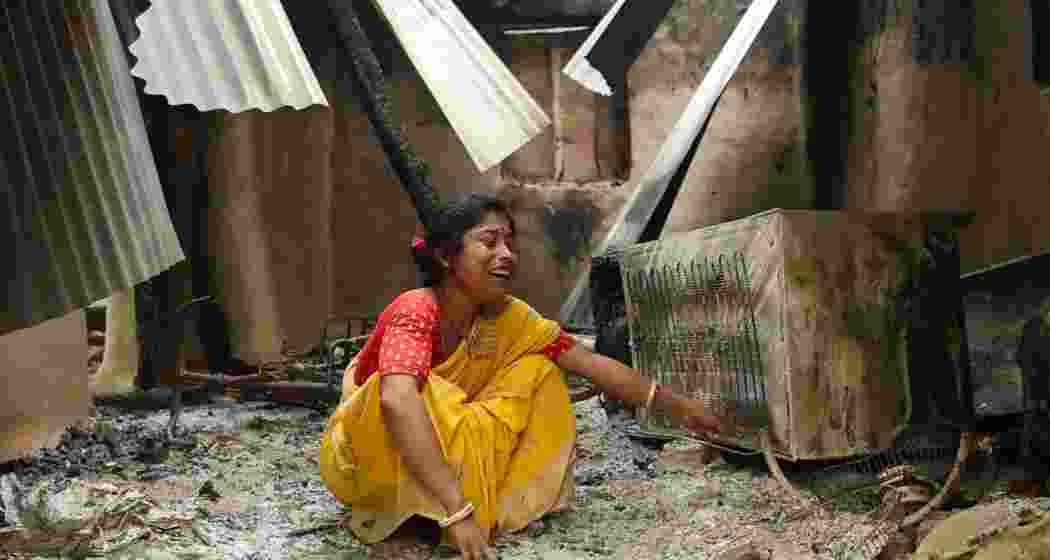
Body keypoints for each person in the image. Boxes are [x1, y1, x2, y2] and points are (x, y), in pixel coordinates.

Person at [319, 193, 724, 560]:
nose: (507, 254)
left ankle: (485, 508)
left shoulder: (511, 317)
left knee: (539, 370)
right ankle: (411, 518)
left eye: (511, 242)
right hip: (374, 454)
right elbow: (395, 401)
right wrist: (457, 512)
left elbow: (590, 364)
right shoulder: (416, 309)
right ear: (446, 257)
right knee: (414, 392)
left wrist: (682, 408)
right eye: (490, 241)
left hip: (442, 449)